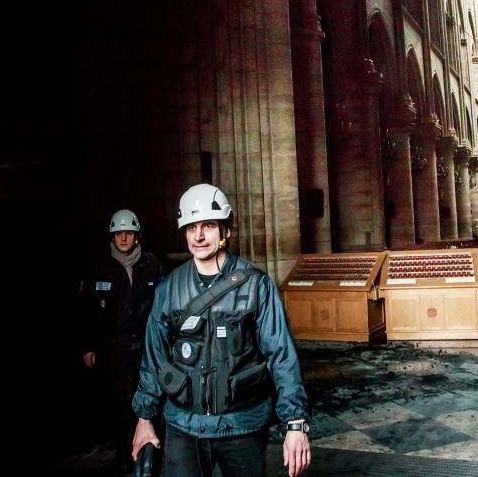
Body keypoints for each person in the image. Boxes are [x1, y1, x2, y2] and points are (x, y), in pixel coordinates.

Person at [131, 183, 311, 477]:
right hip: (182, 427)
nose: (199, 236)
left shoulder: (256, 286)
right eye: (191, 228)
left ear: (226, 231)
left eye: (209, 226)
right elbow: (154, 358)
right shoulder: (169, 288)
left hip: (242, 426)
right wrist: (144, 417)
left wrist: (296, 423)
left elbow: (282, 356)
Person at [79, 209, 166, 476]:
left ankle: (150, 456)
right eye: (119, 233)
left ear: (137, 236)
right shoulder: (100, 268)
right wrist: (87, 346)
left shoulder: (152, 265)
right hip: (113, 351)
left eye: (129, 233)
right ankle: (125, 457)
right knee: (119, 406)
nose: (124, 238)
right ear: (113, 236)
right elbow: (86, 311)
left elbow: (165, 305)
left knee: (150, 401)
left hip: (146, 348)